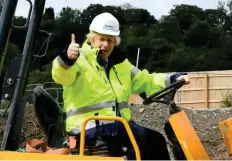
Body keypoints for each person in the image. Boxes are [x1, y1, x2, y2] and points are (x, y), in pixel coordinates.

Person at [51, 12, 190, 160]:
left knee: (156, 139)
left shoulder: (120, 64)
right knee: (140, 138)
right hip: (88, 126)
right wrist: (66, 58)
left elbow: (145, 80)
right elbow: (61, 76)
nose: (106, 44)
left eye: (110, 40)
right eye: (102, 39)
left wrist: (174, 78)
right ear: (92, 38)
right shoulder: (78, 58)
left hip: (117, 125)